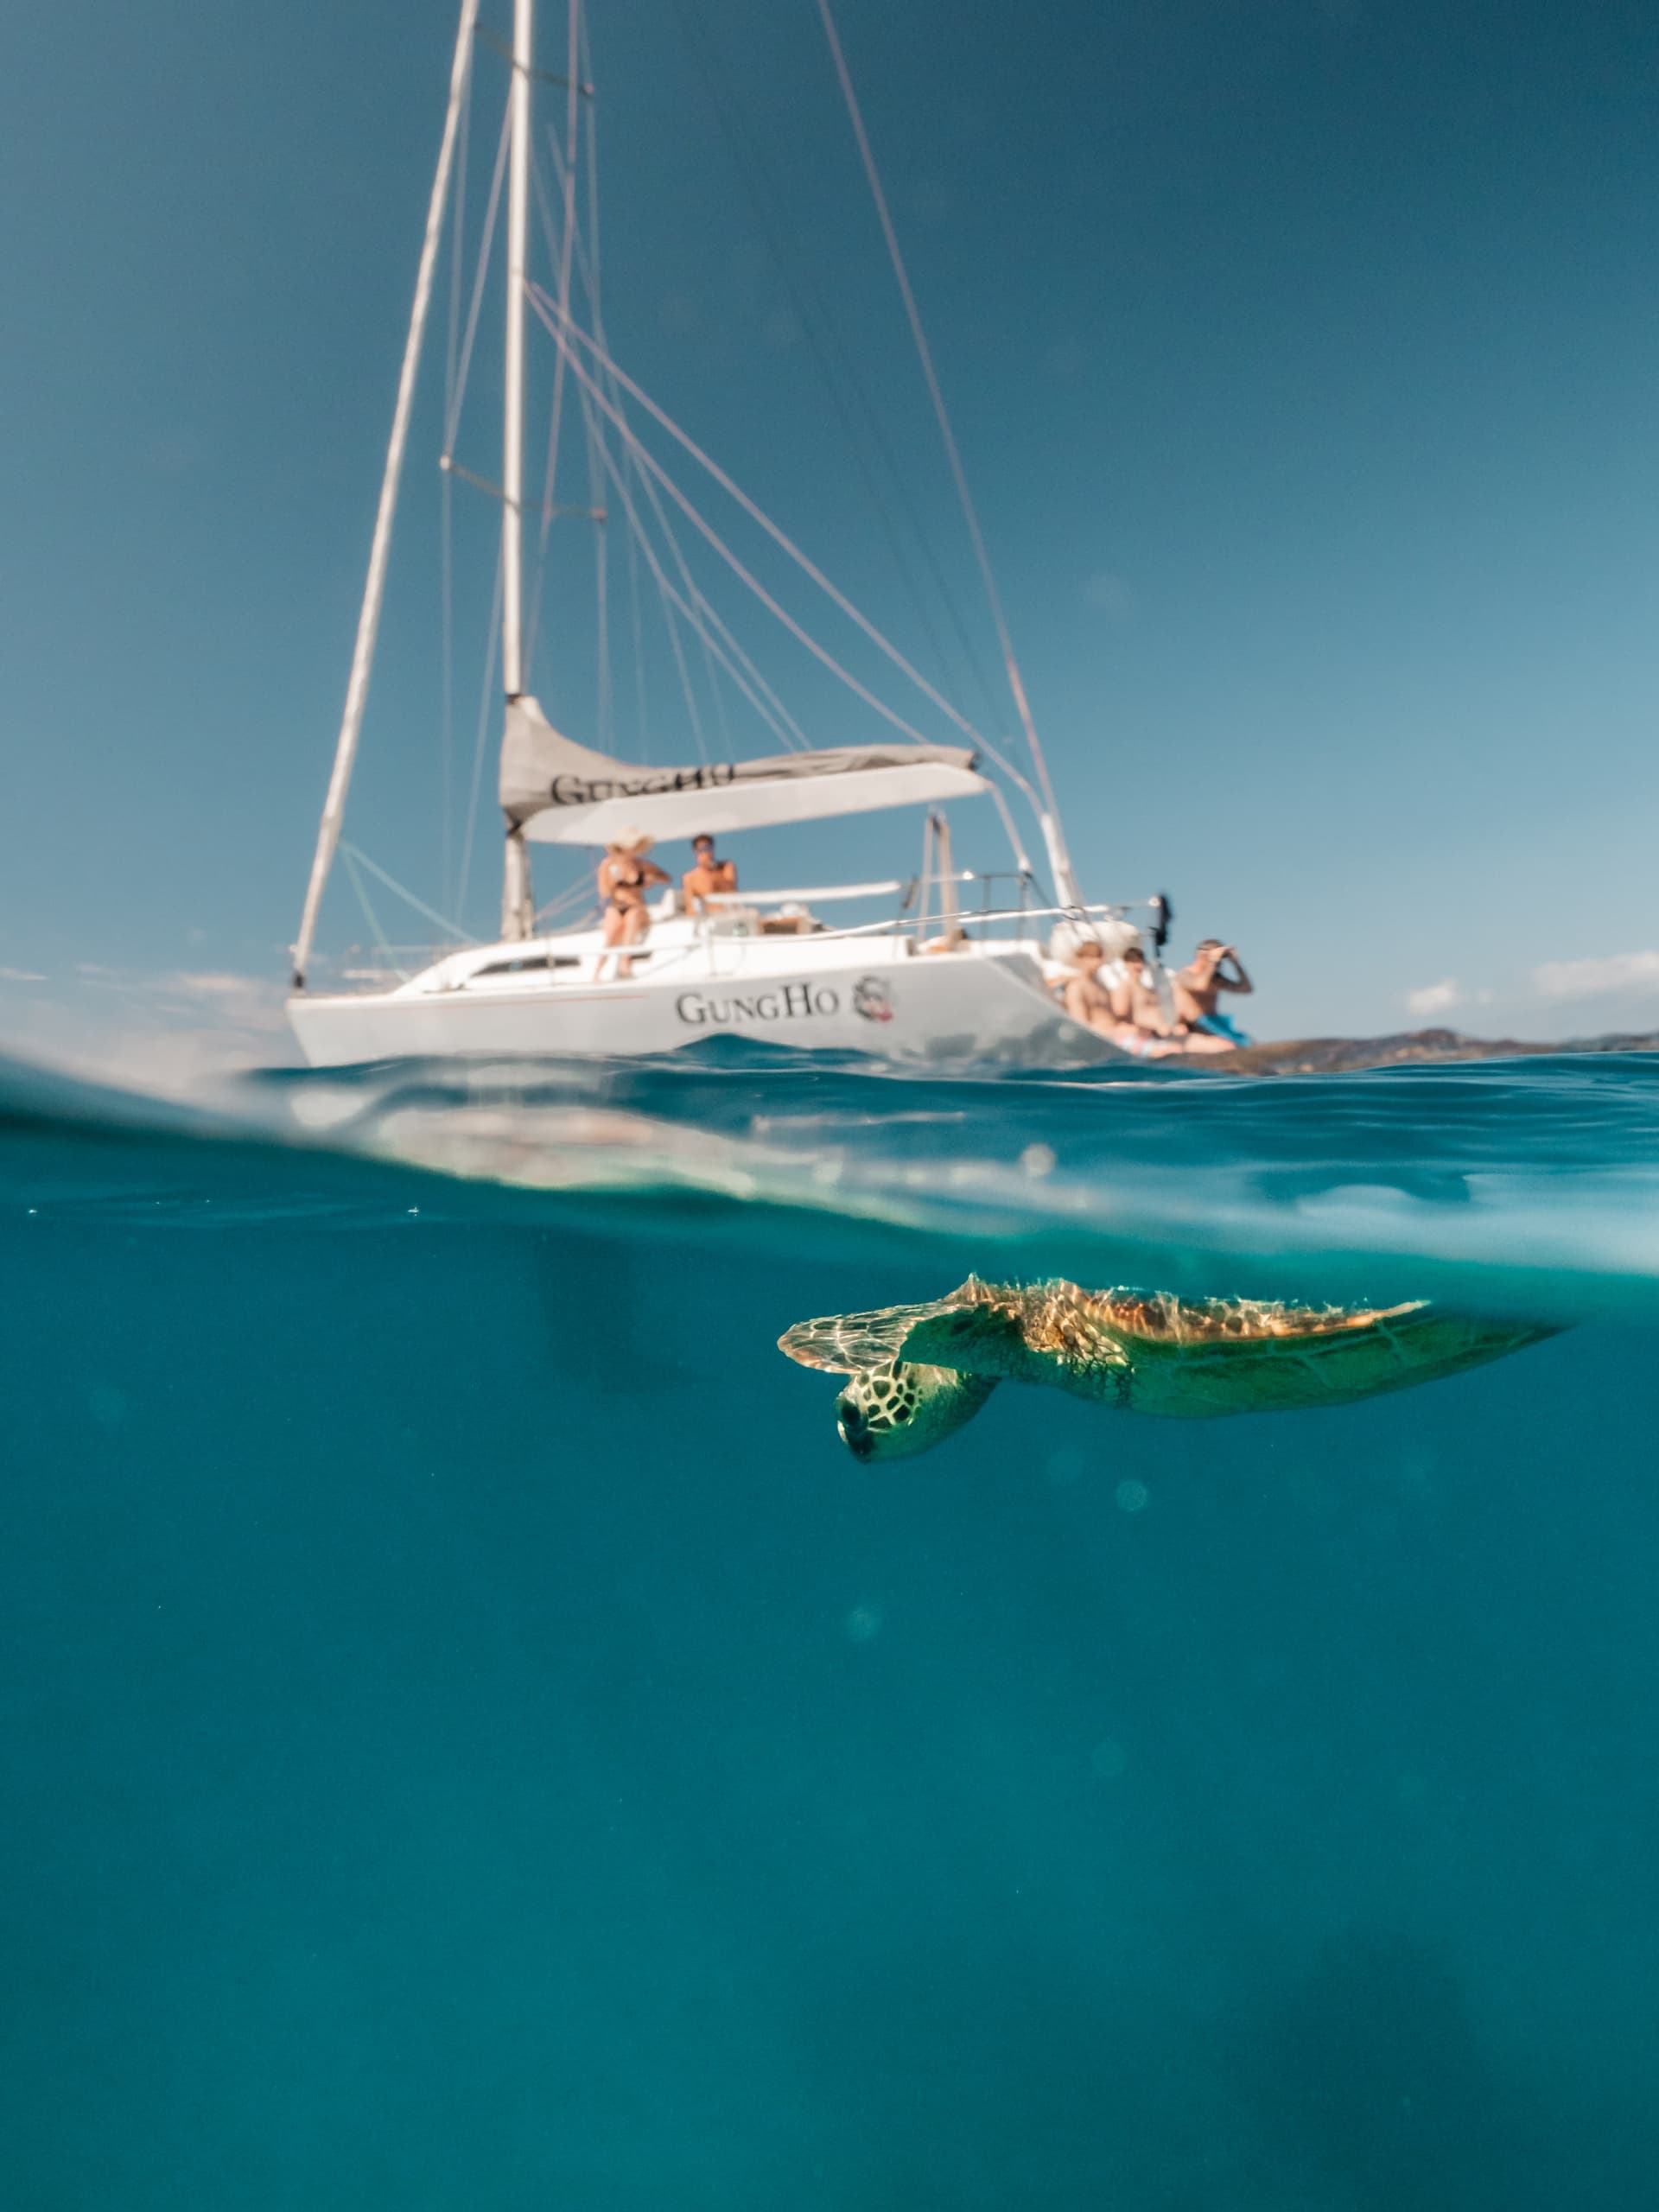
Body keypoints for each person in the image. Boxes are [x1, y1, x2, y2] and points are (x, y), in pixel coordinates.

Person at [596, 830, 670, 979]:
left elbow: (666, 878)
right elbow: (604, 891)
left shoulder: (641, 865)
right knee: (612, 936)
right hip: (616, 906)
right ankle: (597, 972)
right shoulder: (609, 865)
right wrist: (616, 883)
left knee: (632, 920)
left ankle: (625, 964)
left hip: (636, 906)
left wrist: (651, 879)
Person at [1173, 938, 1254, 1046]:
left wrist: (1235, 962)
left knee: (1248, 1042)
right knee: (1230, 1045)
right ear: (1202, 957)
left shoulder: (1215, 979)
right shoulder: (1184, 974)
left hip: (1216, 1023)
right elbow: (1200, 986)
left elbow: (1246, 989)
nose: (1220, 963)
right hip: (1194, 1024)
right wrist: (1213, 961)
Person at [681, 833, 737, 916]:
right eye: (702, 849)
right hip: (706, 917)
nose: (706, 852)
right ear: (695, 852)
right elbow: (690, 905)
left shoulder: (726, 866)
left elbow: (731, 888)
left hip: (728, 914)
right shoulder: (689, 877)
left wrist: (713, 872)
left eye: (709, 848)